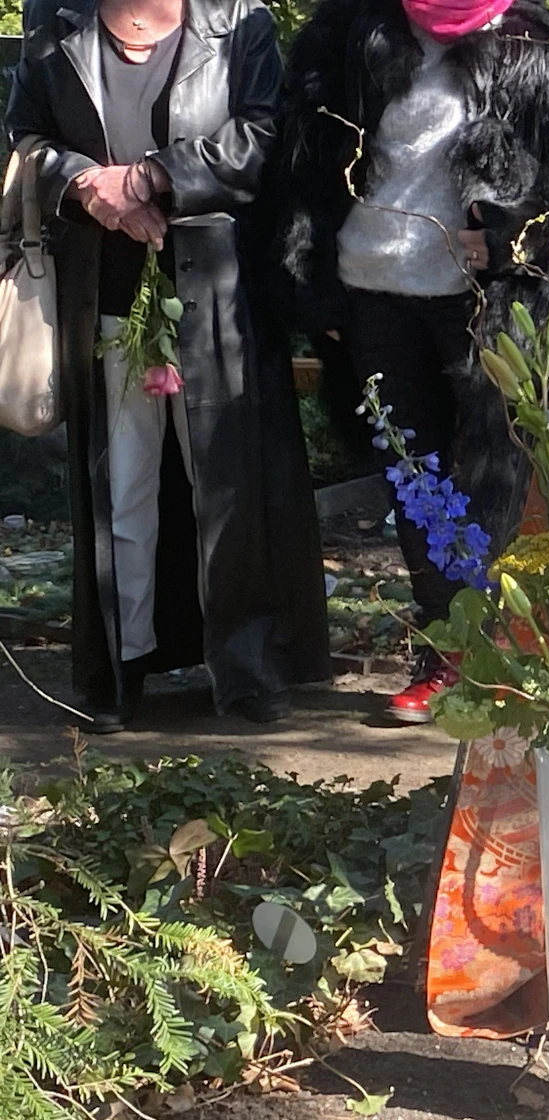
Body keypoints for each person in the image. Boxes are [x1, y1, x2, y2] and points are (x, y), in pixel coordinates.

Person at [273, 0, 549, 724]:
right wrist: (312, 286)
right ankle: (447, 646)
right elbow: (301, 168)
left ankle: (507, 647)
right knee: (414, 477)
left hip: (485, 303)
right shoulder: (347, 36)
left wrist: (509, 236)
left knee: (497, 473)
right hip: (373, 294)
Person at [8, 0, 331, 732]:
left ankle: (245, 670)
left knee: (227, 489)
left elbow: (261, 134)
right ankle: (118, 672)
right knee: (121, 488)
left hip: (216, 298)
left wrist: (151, 178)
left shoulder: (237, 21)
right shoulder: (55, 21)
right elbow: (25, 137)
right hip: (103, 297)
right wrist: (90, 187)